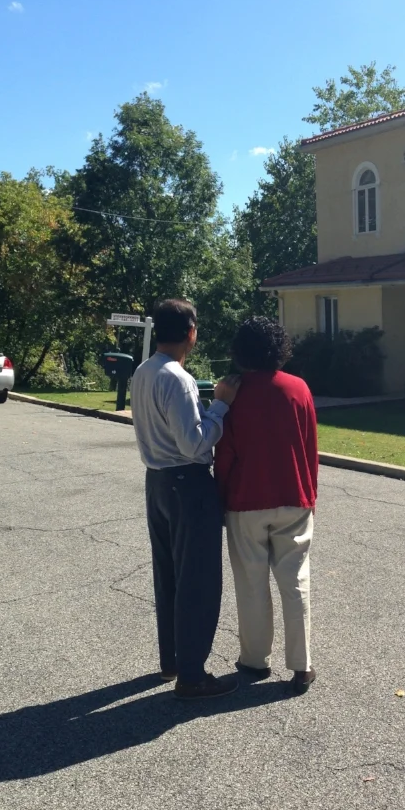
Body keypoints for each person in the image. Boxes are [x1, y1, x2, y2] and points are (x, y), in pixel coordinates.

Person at [131, 298, 240, 700]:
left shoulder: (143, 371)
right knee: (198, 581)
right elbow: (194, 443)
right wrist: (221, 405)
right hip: (187, 483)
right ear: (191, 332)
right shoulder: (177, 378)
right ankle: (193, 676)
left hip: (156, 481)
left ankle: (173, 660)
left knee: (169, 576)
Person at [214, 317, 318, 695]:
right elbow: (309, 445)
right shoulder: (298, 388)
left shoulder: (232, 393)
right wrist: (310, 494)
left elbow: (225, 452)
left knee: (251, 583)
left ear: (240, 350)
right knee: (295, 580)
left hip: (245, 499)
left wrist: (220, 496)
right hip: (294, 496)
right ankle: (302, 665)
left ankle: (255, 659)